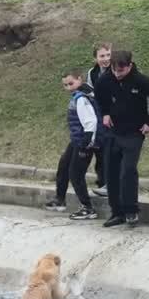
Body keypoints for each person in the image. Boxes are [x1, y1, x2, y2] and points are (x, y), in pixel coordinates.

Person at [94, 49, 149, 228]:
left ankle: (131, 211)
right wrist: (105, 113)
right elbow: (100, 96)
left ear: (130, 66)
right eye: (115, 70)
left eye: (122, 71)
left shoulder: (140, 80)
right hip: (113, 131)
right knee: (111, 172)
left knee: (128, 170)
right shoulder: (105, 79)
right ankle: (116, 212)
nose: (118, 74)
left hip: (134, 132)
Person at [44, 70, 101, 221]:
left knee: (76, 174)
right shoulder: (80, 95)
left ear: (79, 80)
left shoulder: (82, 98)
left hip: (84, 142)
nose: (69, 87)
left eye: (71, 83)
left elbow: (91, 122)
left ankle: (88, 208)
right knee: (63, 165)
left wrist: (86, 144)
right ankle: (60, 199)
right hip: (76, 140)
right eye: (65, 85)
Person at [87, 43, 112, 195]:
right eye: (102, 56)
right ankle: (102, 182)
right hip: (99, 116)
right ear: (95, 58)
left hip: (113, 116)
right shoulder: (93, 72)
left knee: (111, 151)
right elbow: (91, 93)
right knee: (100, 151)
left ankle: (111, 184)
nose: (106, 59)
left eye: (108, 55)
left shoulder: (116, 69)